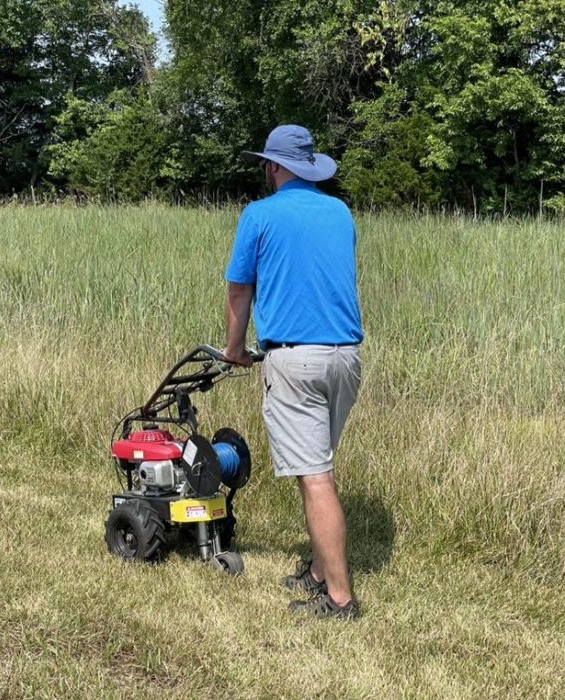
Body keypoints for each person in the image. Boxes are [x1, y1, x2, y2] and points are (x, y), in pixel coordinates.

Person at [223, 124, 363, 620]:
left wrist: (235, 349)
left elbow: (241, 291)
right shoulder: (340, 212)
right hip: (346, 358)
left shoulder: (260, 215)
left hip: (296, 360)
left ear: (275, 166)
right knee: (319, 466)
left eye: (266, 163)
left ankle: (339, 599)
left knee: (316, 478)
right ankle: (320, 572)